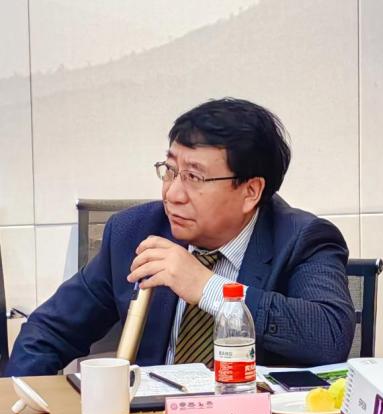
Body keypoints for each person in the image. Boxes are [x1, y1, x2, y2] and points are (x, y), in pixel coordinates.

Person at [5, 98, 355, 376]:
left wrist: (207, 287)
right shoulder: (133, 232)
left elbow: (329, 337)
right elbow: (48, 333)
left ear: (250, 191)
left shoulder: (303, 240)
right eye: (170, 171)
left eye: (194, 177)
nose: (172, 194)